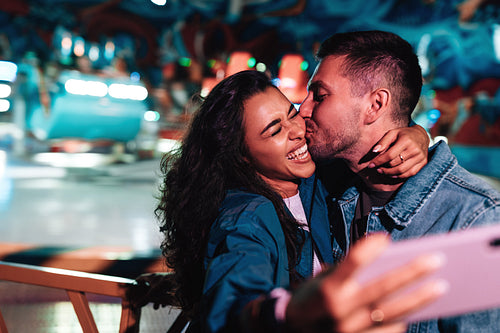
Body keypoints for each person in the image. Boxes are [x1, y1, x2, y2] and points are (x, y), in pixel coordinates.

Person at [156, 69, 443, 332]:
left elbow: (362, 136)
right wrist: (285, 313)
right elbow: (233, 297)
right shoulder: (246, 215)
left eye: (291, 114)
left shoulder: (310, 180)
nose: (297, 131)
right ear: (241, 155)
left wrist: (417, 134)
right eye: (275, 130)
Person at [294, 30, 500, 332]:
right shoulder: (326, 180)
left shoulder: (475, 218)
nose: (304, 109)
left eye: (320, 95)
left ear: (376, 105)